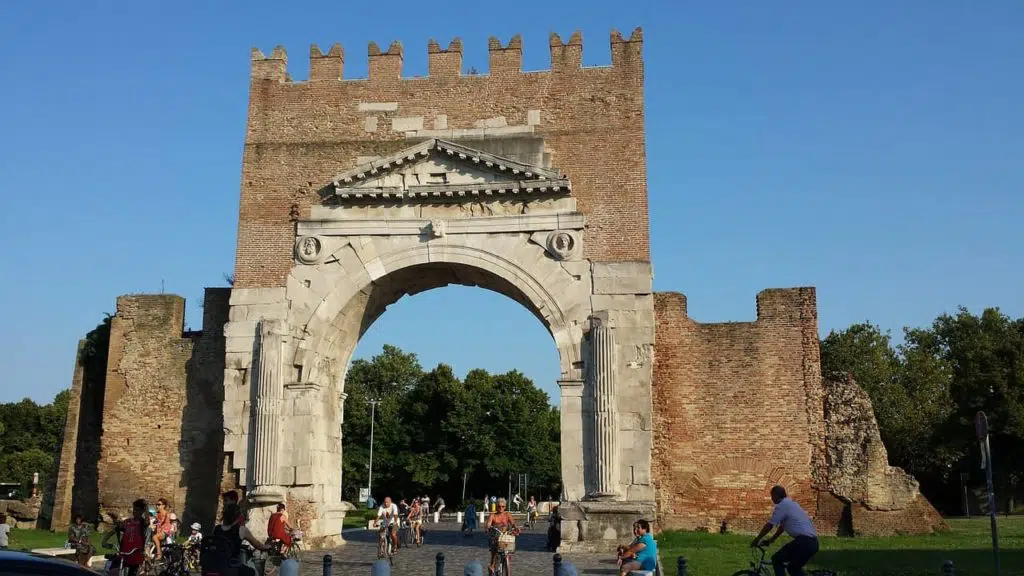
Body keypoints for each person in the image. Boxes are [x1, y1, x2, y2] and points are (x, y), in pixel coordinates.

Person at [751, 486, 819, 576]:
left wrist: (757, 539)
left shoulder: (782, 506)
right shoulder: (792, 504)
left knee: (776, 559)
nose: (771, 499)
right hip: (813, 543)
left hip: (804, 542)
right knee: (793, 568)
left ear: (775, 495)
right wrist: (771, 540)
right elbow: (782, 527)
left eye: (772, 496)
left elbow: (770, 525)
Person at [206, 502, 269, 576]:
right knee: (253, 572)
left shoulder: (216, 529)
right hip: (231, 566)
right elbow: (258, 545)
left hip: (215, 565)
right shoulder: (241, 530)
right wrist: (269, 546)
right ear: (238, 517)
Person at [485, 497, 520, 575]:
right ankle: (492, 566)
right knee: (494, 549)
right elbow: (488, 524)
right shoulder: (493, 515)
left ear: (505, 507)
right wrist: (488, 527)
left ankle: (506, 564)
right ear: (496, 506)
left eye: (503, 506)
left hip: (505, 537)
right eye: (499, 506)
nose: (501, 508)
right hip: (495, 537)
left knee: (509, 548)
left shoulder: (507, 515)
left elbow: (513, 523)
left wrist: (516, 528)